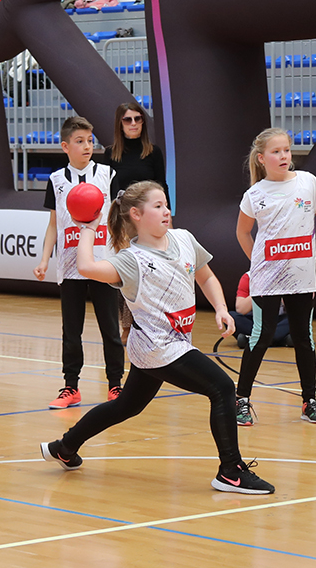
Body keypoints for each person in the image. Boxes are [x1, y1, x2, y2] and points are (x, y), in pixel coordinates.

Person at [38, 181, 274, 494]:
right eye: (158, 206)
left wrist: (221, 308)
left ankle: (64, 447)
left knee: (126, 406)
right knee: (221, 388)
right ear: (136, 214)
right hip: (156, 347)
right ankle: (230, 471)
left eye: (166, 204)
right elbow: (87, 267)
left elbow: (206, 277)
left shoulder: (184, 238)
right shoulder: (131, 260)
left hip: (172, 343)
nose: (166, 211)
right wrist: (88, 228)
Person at [233, 128, 316, 427]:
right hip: (267, 278)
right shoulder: (255, 195)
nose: (284, 156)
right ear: (262, 158)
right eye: (276, 151)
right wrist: (257, 261)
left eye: (286, 149)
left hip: (301, 276)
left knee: (303, 337)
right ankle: (241, 399)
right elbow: (243, 232)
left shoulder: (307, 182)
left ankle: (310, 401)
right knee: (261, 336)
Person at [33, 116, 125, 408]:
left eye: (89, 141)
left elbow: (118, 220)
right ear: (65, 146)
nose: (87, 146)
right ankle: (70, 387)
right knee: (71, 332)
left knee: (110, 329)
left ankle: (115, 385)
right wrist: (44, 259)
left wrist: (123, 255)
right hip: (70, 265)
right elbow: (53, 225)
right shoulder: (56, 180)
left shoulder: (108, 174)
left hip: (103, 263)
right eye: (80, 141)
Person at [102, 100, 169, 345]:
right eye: (128, 119)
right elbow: (108, 190)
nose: (133, 124)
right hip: (124, 223)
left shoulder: (153, 152)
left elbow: (162, 186)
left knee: (151, 274)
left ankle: (151, 323)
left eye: (138, 119)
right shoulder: (110, 154)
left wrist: (167, 217)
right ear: (120, 124)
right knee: (125, 275)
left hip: (150, 223)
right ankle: (127, 326)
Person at [231, 272, 290, 350]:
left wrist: (281, 293)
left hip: (279, 321)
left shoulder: (287, 276)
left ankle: (252, 339)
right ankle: (281, 340)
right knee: (231, 317)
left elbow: (296, 309)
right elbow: (241, 310)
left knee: (297, 319)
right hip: (255, 321)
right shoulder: (248, 277)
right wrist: (259, 291)